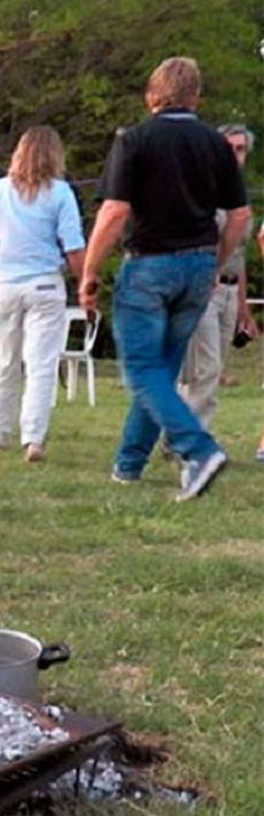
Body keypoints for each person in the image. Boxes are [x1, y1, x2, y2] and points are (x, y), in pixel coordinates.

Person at [79, 57, 251, 500]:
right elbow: (239, 216)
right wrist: (215, 262)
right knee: (161, 369)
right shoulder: (217, 145)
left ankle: (198, 449)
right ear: (195, 96)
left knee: (140, 369)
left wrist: (90, 270)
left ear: (152, 94)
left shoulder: (134, 139)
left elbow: (115, 211)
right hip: (197, 266)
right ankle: (129, 463)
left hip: (150, 265)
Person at [0, 126, 86, 463]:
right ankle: (33, 439)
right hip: (45, 284)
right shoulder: (60, 193)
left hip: (3, 286)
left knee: (3, 362)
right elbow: (73, 246)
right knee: (41, 364)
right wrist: (86, 282)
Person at [179, 124, 258, 430]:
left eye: (240, 149)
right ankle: (191, 438)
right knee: (204, 366)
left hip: (229, 288)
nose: (235, 155)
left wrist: (243, 308)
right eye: (230, 147)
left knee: (213, 367)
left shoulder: (239, 195)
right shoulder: (203, 190)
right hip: (203, 285)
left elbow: (239, 256)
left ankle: (185, 433)